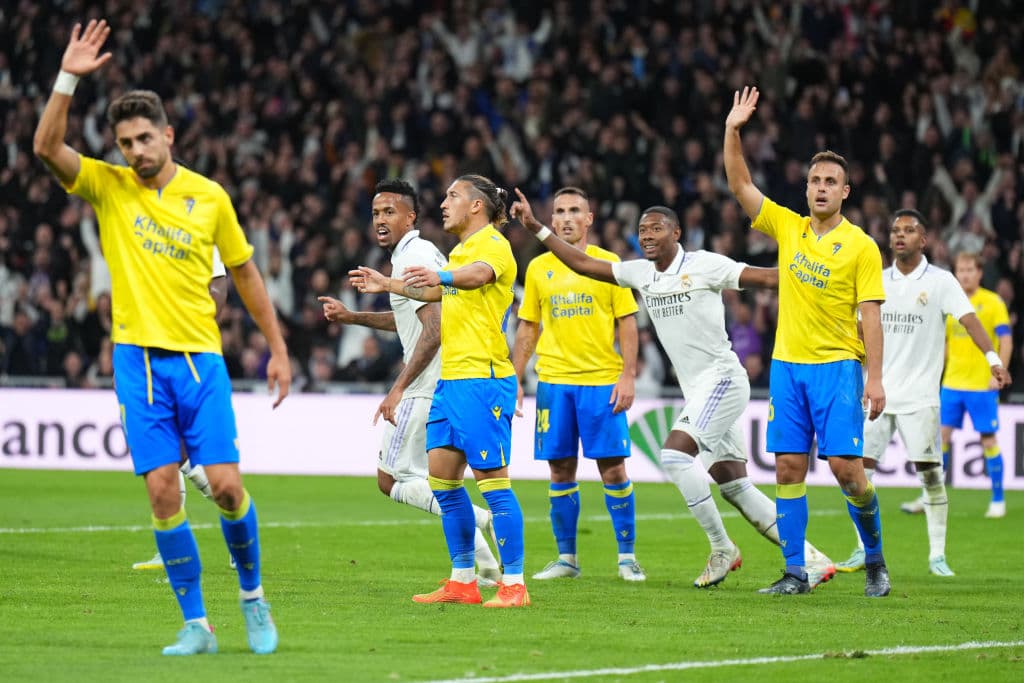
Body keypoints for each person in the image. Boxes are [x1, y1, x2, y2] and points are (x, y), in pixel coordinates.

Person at [34, 20, 291, 654]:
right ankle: (196, 625)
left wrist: (279, 348)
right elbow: (45, 147)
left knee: (228, 487)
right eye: (125, 141)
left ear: (169, 135)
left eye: (145, 138)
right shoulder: (109, 187)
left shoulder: (209, 198)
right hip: (137, 365)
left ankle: (254, 602)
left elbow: (246, 273)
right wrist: (68, 77)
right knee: (161, 490)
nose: (136, 151)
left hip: (201, 364)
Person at [510, 190, 836, 590]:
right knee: (733, 484)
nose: (646, 235)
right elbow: (582, 262)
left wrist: (823, 274)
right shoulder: (640, 273)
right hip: (696, 391)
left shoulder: (705, 265)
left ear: (677, 233)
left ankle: (721, 547)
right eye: (642, 229)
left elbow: (767, 278)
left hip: (722, 379)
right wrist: (537, 229)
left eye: (656, 228)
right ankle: (812, 559)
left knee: (674, 455)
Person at [724, 86, 890, 597]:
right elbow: (741, 186)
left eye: (830, 182)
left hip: (839, 366)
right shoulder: (789, 228)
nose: (820, 188)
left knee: (847, 471)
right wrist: (733, 130)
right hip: (787, 366)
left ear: (846, 191)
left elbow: (870, 316)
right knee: (789, 467)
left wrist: (876, 377)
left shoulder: (861, 246)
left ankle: (876, 560)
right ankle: (796, 571)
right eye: (815, 180)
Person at [350, 174, 529, 608]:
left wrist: (442, 274)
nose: (443, 203)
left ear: (476, 206)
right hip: (450, 380)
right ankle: (463, 580)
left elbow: (473, 277)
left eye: (452, 196)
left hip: (483, 379)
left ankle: (515, 586)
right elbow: (436, 289)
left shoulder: (492, 245)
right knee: (444, 484)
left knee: (493, 484)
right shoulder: (460, 249)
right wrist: (387, 285)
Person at [318, 179, 501, 583]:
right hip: (444, 380)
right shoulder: (418, 253)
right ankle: (483, 557)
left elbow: (433, 330)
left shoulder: (410, 259)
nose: (380, 220)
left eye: (389, 212)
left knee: (394, 479)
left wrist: (399, 387)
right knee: (426, 477)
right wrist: (354, 317)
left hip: (427, 384)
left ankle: (478, 528)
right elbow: (409, 319)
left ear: (410, 217)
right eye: (375, 213)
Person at [834, 211, 1011, 576]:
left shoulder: (942, 281)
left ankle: (936, 555)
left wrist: (992, 357)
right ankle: (861, 549)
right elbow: (856, 331)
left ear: (924, 240)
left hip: (922, 399)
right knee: (857, 475)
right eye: (896, 230)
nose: (900, 236)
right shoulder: (876, 281)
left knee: (931, 475)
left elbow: (969, 320)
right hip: (877, 395)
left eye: (909, 230)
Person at [511, 186, 645, 582]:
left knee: (613, 470)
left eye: (574, 211)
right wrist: (515, 377)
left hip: (601, 383)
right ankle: (567, 559)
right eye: (559, 211)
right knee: (560, 470)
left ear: (589, 219)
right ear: (551, 221)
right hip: (553, 384)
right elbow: (528, 328)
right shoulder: (538, 268)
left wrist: (627, 374)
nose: (566, 217)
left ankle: (627, 558)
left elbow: (628, 322)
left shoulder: (609, 264)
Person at [133, 248, 227, 571]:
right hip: (146, 348)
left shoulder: (200, 230)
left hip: (186, 352)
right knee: (165, 451)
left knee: (180, 451)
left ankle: (237, 517)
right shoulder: (145, 230)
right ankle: (171, 548)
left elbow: (219, 289)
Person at [901, 251, 1013, 519]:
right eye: (960, 270)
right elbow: (947, 345)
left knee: (987, 439)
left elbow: (1005, 340)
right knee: (941, 439)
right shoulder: (950, 302)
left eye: (969, 270)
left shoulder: (993, 302)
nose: (964, 274)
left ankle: (998, 499)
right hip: (952, 383)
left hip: (980, 385)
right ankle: (930, 496)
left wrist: (998, 371)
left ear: (979, 272)